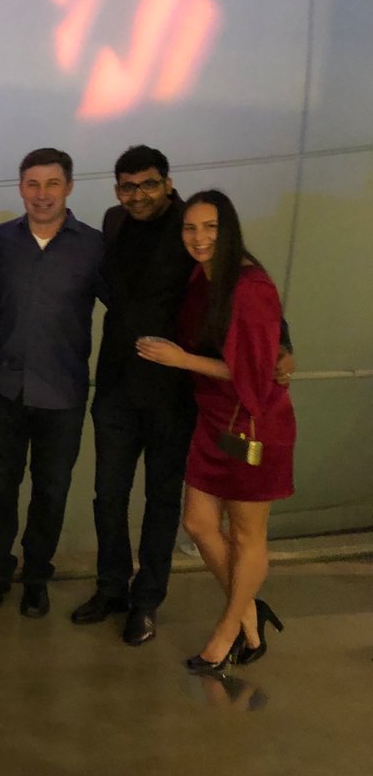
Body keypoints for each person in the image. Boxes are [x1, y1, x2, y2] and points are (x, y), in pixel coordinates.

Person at [71, 146, 293, 646]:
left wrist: (285, 344)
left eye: (149, 184)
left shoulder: (192, 229)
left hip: (175, 394)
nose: (138, 195)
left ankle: (146, 601)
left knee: (162, 501)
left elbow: (243, 282)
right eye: (128, 186)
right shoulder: (113, 222)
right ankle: (111, 589)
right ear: (117, 191)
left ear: (168, 184)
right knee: (108, 496)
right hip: (116, 386)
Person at [137, 189, 294, 670]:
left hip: (252, 423)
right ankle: (250, 613)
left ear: (229, 230)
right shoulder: (203, 278)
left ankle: (228, 634)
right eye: (191, 228)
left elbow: (255, 374)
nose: (199, 237)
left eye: (210, 227)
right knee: (199, 523)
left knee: (247, 535)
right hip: (213, 418)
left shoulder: (250, 285)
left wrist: (180, 359)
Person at [0, 149, 105, 618]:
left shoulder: (93, 246)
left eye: (52, 184)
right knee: (0, 486)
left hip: (63, 393)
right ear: (20, 188)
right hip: (3, 389)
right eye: (32, 184)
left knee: (51, 492)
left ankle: (36, 577)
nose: (42, 194)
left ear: (68, 187)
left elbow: (131, 305)